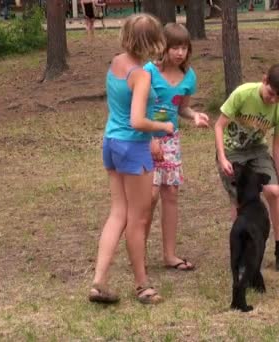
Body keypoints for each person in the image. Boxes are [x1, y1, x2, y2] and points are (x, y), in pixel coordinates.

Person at [89, 13, 172, 305]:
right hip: (132, 147)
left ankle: (99, 282)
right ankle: (142, 286)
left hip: (111, 143)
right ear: (153, 41)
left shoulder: (116, 62)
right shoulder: (140, 74)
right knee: (137, 218)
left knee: (118, 213)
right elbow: (137, 120)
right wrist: (162, 126)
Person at [215, 63, 279, 272]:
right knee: (240, 202)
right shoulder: (243, 94)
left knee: (274, 192)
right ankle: (241, 255)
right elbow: (219, 126)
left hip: (257, 151)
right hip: (232, 152)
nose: (273, 100)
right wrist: (223, 157)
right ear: (264, 80)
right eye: (271, 93)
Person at [143, 23, 210, 271]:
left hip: (171, 141)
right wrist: (150, 138)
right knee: (148, 197)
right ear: (164, 48)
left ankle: (169, 255)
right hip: (146, 137)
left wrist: (194, 116)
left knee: (170, 195)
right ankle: (138, 252)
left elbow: (181, 108)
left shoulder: (188, 76)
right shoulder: (148, 71)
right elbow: (137, 108)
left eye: (184, 48)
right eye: (175, 47)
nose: (180, 53)